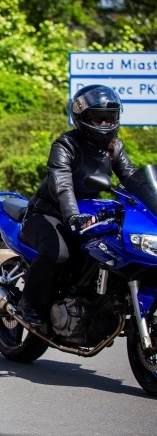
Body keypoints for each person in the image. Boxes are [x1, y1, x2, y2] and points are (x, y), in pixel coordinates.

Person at [17, 84, 137, 330]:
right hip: (49, 214)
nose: (104, 123)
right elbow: (62, 184)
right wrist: (72, 215)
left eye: (109, 117)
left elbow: (134, 180)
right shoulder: (65, 145)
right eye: (97, 117)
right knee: (57, 252)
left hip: (86, 216)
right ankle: (28, 303)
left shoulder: (114, 147)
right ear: (81, 117)